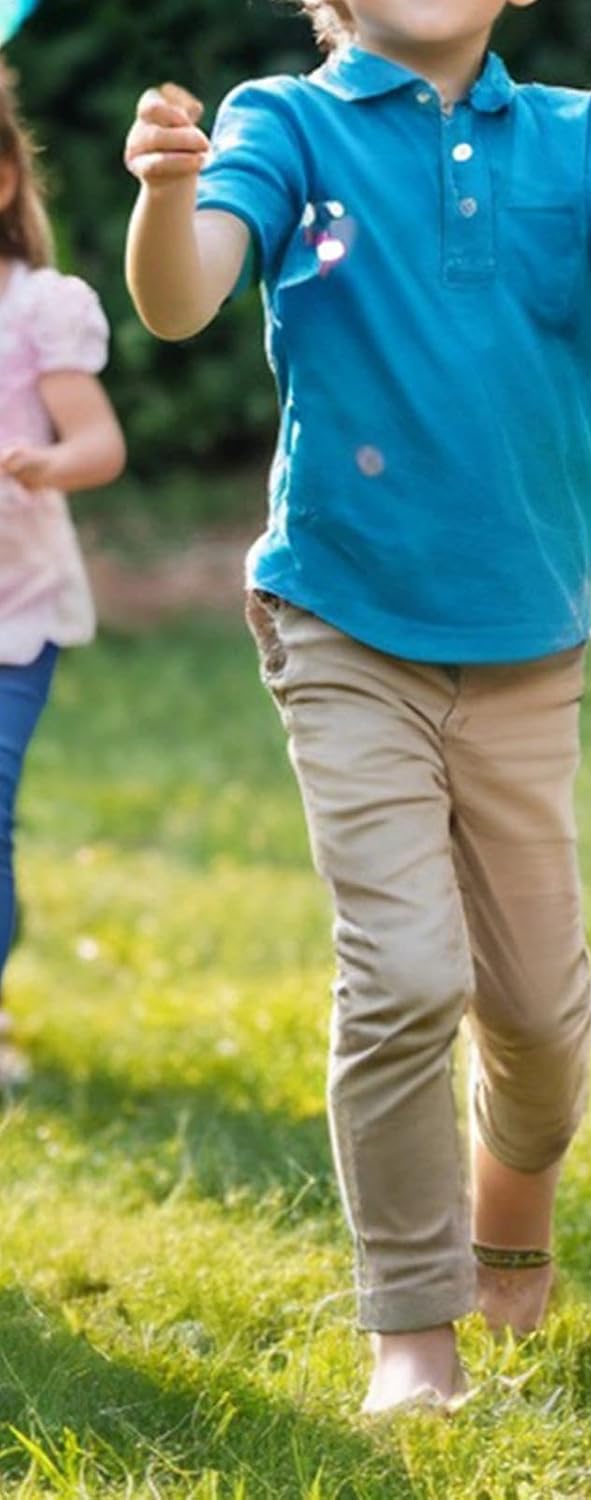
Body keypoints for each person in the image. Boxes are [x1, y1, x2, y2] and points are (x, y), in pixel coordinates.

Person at [123, 0, 591, 1417]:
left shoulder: (578, 139)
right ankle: (413, 1323)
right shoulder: (287, 124)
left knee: (541, 1021)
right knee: (402, 976)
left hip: (526, 642)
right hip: (344, 620)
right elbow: (181, 296)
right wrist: (161, 196)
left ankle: (511, 1224)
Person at [0, 62, 127, 1091]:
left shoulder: (38, 306)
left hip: (14, 612)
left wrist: (47, 462)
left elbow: (99, 444)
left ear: (5, 178)